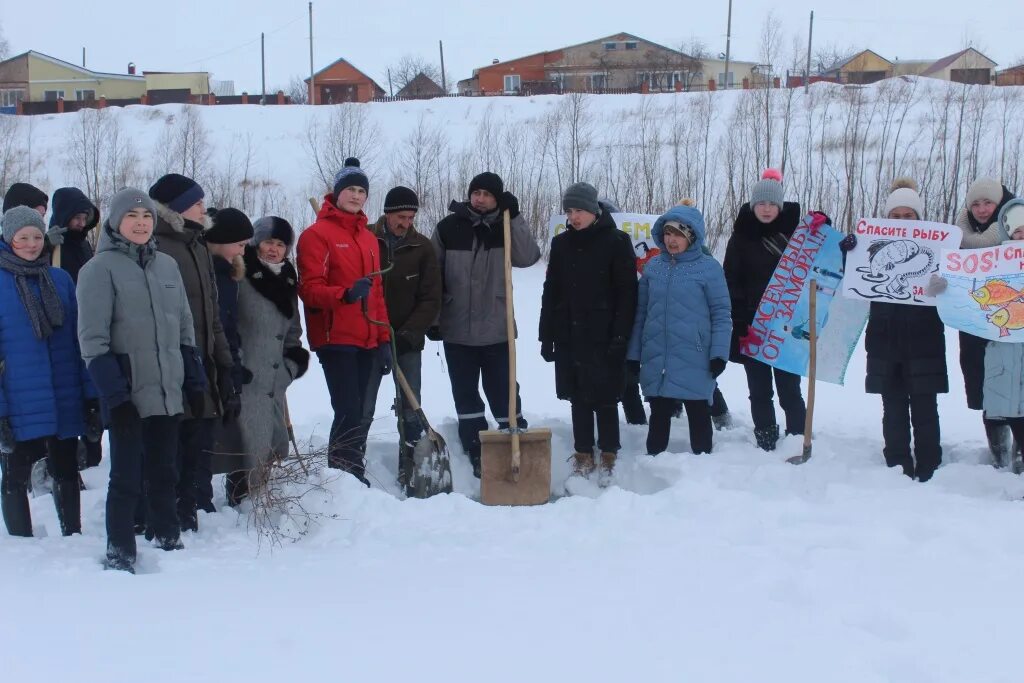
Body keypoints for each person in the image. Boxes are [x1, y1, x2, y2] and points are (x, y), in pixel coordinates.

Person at [77, 188, 207, 573]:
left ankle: (167, 536)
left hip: (167, 389)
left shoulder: (167, 266)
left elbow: (184, 329)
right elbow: (92, 341)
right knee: (127, 477)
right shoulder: (98, 270)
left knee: (165, 470)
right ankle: (120, 550)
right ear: (117, 223)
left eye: (147, 216)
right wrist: (115, 396)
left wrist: (194, 381)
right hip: (127, 393)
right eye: (132, 216)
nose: (140, 223)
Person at [430, 172, 541, 477]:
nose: (479, 198)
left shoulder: (504, 226)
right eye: (475, 192)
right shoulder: (448, 228)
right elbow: (433, 276)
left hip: (496, 327)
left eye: (487, 194)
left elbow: (528, 256)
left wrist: (515, 216)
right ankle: (475, 449)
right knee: (465, 394)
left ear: (497, 198)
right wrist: (436, 319)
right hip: (457, 328)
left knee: (504, 390)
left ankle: (513, 441)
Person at [839, 178, 947, 481]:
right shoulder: (877, 247)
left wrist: (946, 285)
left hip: (925, 338)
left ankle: (930, 463)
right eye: (896, 216)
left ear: (918, 218)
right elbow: (854, 279)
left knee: (925, 406)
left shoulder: (938, 248)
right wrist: (846, 253)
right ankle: (898, 462)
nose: (902, 221)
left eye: (908, 216)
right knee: (894, 405)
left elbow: (957, 291)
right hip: (885, 337)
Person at [0, 206, 96, 537]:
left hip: (63, 391)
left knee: (66, 468)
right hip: (18, 397)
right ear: (8, 238)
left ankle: (73, 534)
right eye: (22, 237)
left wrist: (89, 395)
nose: (30, 244)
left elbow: (78, 341)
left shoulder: (60, 279)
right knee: (16, 472)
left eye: (37, 237)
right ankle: (22, 542)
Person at [150, 173, 237, 528]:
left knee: (199, 436)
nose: (204, 208)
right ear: (179, 208)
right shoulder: (157, 246)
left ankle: (191, 508)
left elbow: (210, 311)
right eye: (197, 202)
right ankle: (165, 515)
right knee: (172, 444)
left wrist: (225, 362)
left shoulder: (197, 244)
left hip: (204, 359)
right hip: (173, 361)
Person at [297, 157, 390, 486]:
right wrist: (346, 294)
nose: (356, 195)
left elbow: (377, 292)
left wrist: (384, 340)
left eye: (361, 191)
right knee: (348, 408)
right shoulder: (316, 236)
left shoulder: (368, 238)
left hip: (367, 337)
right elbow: (309, 290)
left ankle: (351, 471)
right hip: (334, 337)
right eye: (350, 189)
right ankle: (341, 474)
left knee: (359, 411)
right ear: (336, 193)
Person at [540, 183, 636, 484]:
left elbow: (627, 294)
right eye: (569, 211)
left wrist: (621, 335)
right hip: (569, 333)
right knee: (578, 397)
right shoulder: (561, 244)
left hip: (605, 334)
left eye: (579, 210)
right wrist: (547, 334)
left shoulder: (617, 241)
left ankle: (609, 455)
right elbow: (551, 290)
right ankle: (583, 454)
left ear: (594, 210)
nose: (574, 217)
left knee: (606, 397)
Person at [627, 201, 731, 458]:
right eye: (668, 233)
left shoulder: (709, 268)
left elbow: (721, 314)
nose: (672, 240)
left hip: (695, 355)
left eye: (679, 234)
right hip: (657, 355)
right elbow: (641, 314)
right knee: (659, 413)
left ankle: (702, 467)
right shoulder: (653, 267)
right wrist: (633, 354)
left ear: (692, 237)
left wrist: (719, 353)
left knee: (698, 413)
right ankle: (653, 465)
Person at [361, 186, 441, 493]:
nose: (405, 223)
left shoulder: (421, 247)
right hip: (368, 339)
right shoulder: (366, 238)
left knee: (410, 407)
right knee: (363, 406)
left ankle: (408, 468)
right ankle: (350, 469)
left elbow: (430, 297)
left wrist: (410, 333)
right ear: (387, 212)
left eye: (410, 217)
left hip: (407, 341)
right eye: (400, 216)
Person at [723, 169, 809, 451]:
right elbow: (731, 281)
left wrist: (833, 233)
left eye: (772, 204)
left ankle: (798, 436)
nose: (767, 209)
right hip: (752, 326)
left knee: (789, 389)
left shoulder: (797, 235)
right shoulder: (740, 238)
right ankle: (766, 437)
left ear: (780, 206)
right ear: (752, 205)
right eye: (761, 203)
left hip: (787, 325)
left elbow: (822, 260)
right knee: (759, 391)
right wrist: (740, 323)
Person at [231, 217, 309, 504]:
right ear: (256, 243)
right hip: (246, 375)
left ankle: (260, 498)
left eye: (280, 244)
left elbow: (293, 331)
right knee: (246, 443)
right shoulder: (240, 273)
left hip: (275, 379)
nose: (274, 250)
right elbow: (228, 323)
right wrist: (236, 363)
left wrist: (290, 368)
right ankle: (240, 502)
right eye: (268, 242)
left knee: (271, 444)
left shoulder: (288, 278)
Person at [953, 178, 1017, 464]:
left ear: (1000, 204)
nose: (981, 209)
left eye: (988, 203)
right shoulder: (957, 234)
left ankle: (1019, 450)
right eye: (975, 204)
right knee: (986, 389)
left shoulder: (1016, 229)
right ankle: (999, 450)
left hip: (1013, 325)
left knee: (1016, 388)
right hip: (975, 325)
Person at [45, 187, 103, 472]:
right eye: (76, 217)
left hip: (89, 320)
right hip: (63, 326)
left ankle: (92, 444)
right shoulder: (51, 245)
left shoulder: (83, 244)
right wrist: (45, 247)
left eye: (85, 217)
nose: (81, 223)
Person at [202, 208, 253, 491]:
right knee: (208, 435)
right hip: (210, 361)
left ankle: (237, 490)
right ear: (220, 241)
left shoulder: (231, 274)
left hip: (227, 359)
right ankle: (201, 494)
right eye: (240, 244)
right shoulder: (210, 273)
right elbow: (216, 324)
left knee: (231, 430)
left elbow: (231, 326)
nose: (243, 251)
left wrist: (236, 363)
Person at [979, 198, 1024, 468]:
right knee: (997, 405)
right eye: (1017, 231)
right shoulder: (991, 262)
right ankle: (1000, 459)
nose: (1021, 236)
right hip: (999, 347)